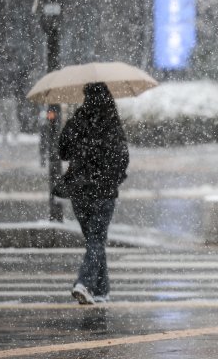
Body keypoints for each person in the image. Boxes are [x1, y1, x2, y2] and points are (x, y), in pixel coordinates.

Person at [59, 82, 129, 304]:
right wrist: (112, 178)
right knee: (96, 240)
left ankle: (101, 291)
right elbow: (122, 158)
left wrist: (70, 123)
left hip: (80, 191)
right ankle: (84, 283)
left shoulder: (78, 121)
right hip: (103, 192)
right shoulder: (111, 123)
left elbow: (63, 152)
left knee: (94, 240)